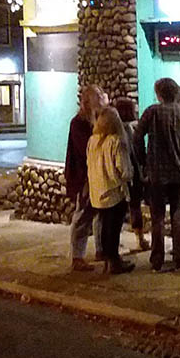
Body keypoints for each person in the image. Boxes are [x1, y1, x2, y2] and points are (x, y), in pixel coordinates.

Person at [135, 78, 180, 272]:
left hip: (156, 173)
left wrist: (144, 161)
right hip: (179, 173)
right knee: (178, 214)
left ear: (159, 94)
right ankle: (179, 257)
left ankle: (157, 260)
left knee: (157, 217)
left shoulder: (152, 112)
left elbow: (137, 137)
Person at [87, 107, 136, 274]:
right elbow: (124, 170)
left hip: (97, 191)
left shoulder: (92, 141)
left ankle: (107, 259)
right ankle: (114, 261)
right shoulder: (116, 141)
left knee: (103, 226)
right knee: (113, 228)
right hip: (114, 191)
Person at [66, 85, 107, 272]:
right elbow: (86, 149)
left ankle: (101, 249)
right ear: (88, 101)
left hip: (99, 174)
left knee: (102, 213)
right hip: (85, 177)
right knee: (83, 215)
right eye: (97, 96)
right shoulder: (79, 123)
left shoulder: (100, 119)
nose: (102, 98)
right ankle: (77, 256)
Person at [114, 98, 150, 252]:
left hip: (131, 173)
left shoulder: (127, 129)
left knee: (132, 207)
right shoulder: (122, 132)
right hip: (125, 174)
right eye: (133, 109)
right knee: (124, 209)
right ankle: (117, 243)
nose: (136, 111)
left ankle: (138, 238)